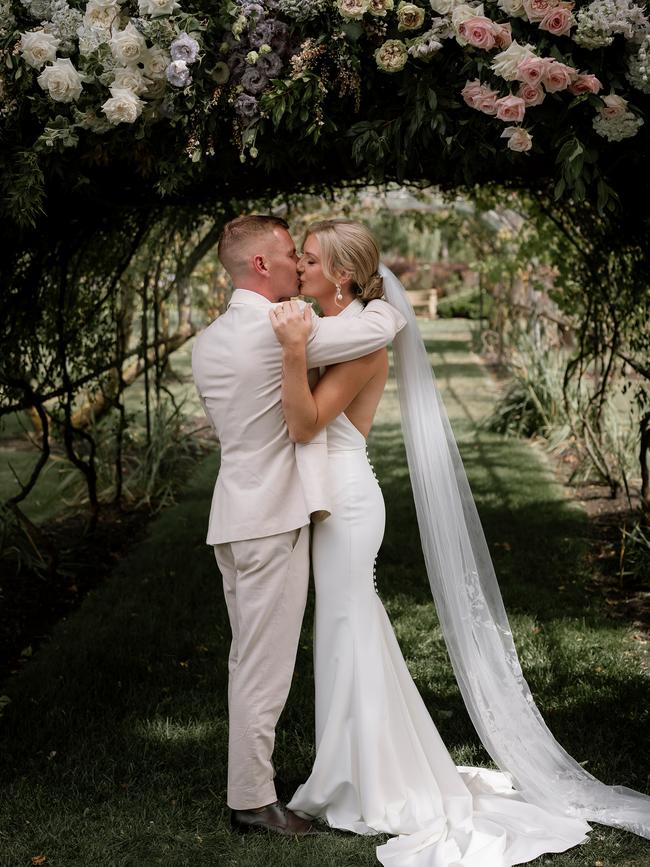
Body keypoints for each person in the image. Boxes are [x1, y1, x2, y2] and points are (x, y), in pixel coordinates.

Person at [270, 219, 650, 866]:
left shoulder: (364, 340)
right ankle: (353, 769)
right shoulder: (337, 327)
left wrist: (287, 350)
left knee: (347, 630)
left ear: (341, 275)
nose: (298, 268)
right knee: (348, 633)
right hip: (331, 500)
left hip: (348, 504)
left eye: (308, 259)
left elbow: (306, 424)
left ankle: (359, 782)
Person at [191, 214, 406, 836]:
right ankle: (253, 802)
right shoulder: (286, 329)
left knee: (246, 658)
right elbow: (377, 326)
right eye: (291, 254)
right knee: (264, 666)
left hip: (232, 514)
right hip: (273, 519)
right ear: (262, 265)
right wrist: (381, 293)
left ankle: (251, 787)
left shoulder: (210, 339)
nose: (298, 264)